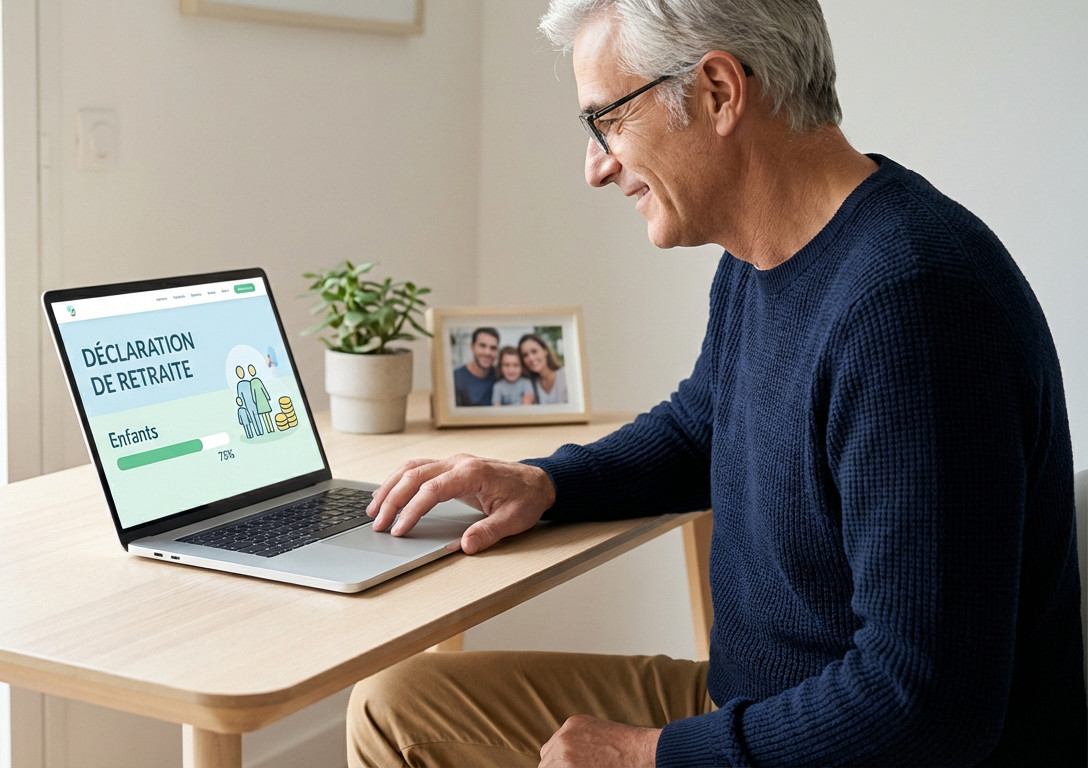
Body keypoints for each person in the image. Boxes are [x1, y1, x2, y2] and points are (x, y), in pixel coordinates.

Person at [347, 1, 1085, 766]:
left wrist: (646, 756)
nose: (596, 167)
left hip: (861, 742)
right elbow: (704, 426)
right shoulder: (763, 252)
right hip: (750, 705)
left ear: (719, 93)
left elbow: (923, 706)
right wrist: (545, 483)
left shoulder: (913, 307)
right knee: (396, 707)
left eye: (607, 121)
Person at [452, 327, 500, 406]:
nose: (487, 352)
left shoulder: (500, 375)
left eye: (493, 348)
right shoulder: (456, 378)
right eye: (482, 346)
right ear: (472, 347)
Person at [519, 333, 568, 405]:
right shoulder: (530, 384)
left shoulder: (566, 376)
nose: (531, 358)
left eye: (534, 351)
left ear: (545, 351)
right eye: (525, 355)